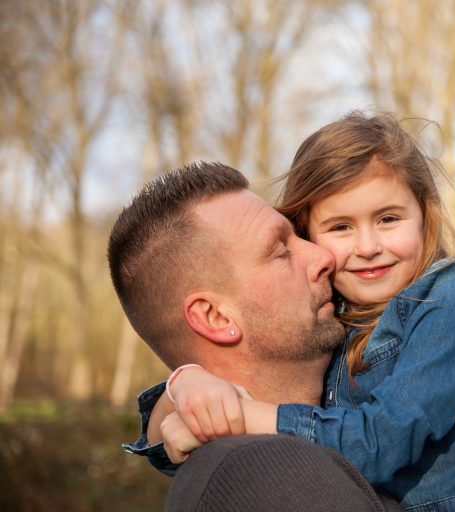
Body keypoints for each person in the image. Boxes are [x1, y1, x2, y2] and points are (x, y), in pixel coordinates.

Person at [158, 112, 455, 511]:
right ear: (308, 233)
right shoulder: (329, 314)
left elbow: (383, 441)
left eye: (388, 219)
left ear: (424, 215)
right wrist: (185, 384)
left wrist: (245, 417)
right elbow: (250, 374)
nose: (368, 248)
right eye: (341, 227)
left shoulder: (448, 297)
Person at [108, 161, 402, 511]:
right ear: (216, 317)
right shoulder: (262, 474)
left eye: (300, 236)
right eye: (280, 251)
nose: (324, 255)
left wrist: (182, 386)